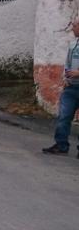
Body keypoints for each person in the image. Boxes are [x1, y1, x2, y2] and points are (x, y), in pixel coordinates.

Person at [44, 18, 79, 156]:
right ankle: (61, 145)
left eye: (75, 26)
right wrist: (65, 78)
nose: (72, 28)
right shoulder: (73, 44)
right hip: (71, 88)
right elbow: (67, 63)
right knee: (64, 116)